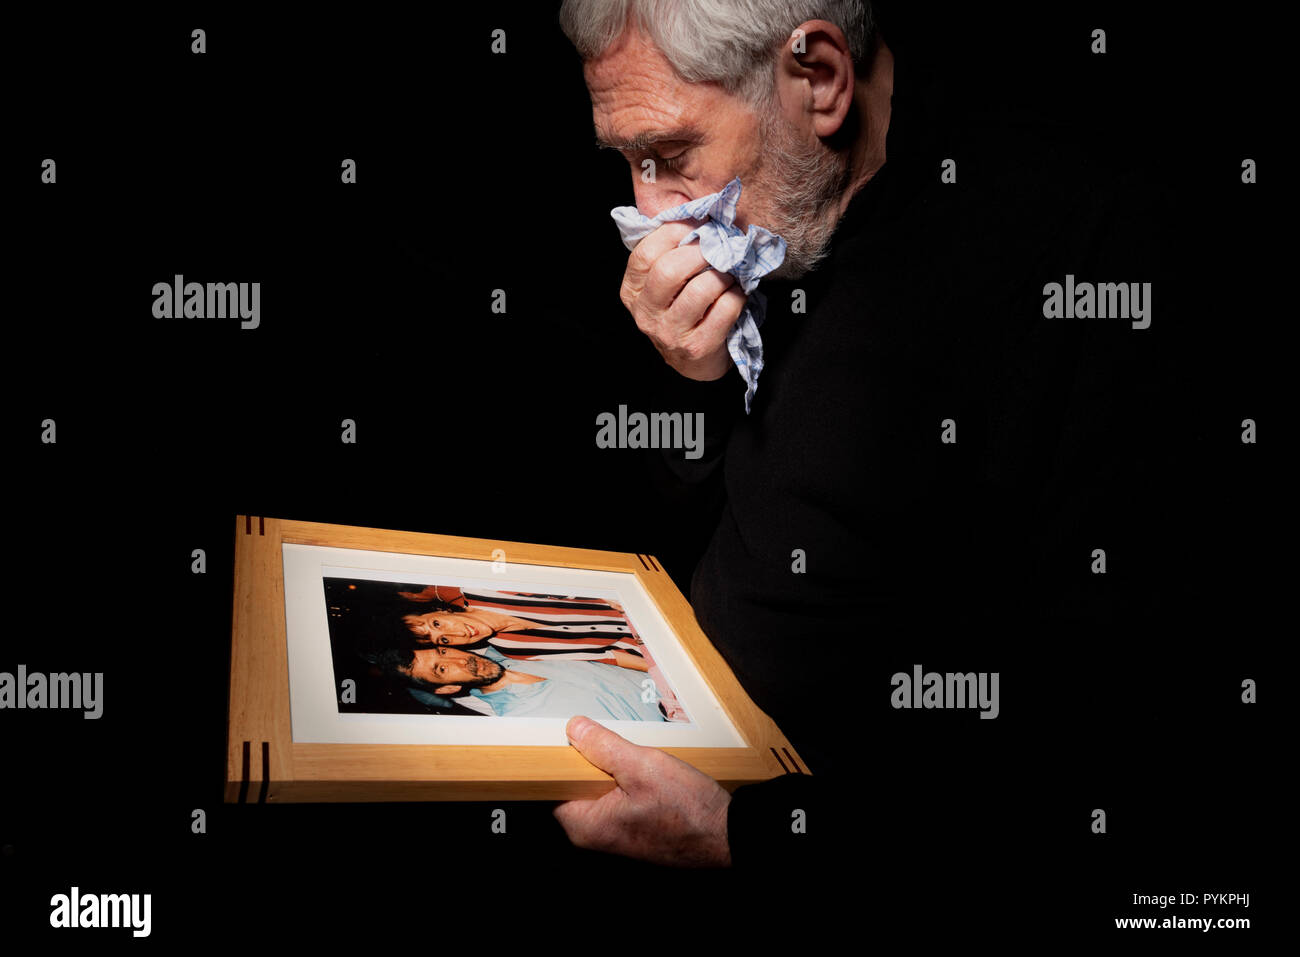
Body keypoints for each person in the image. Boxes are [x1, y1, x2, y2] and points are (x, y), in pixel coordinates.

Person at [552, 0, 1164, 883]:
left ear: (822, 80)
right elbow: (670, 530)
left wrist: (742, 837)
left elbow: (1087, 740)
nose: (650, 208)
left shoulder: (1084, 261)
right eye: (629, 163)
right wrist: (687, 378)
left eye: (672, 156)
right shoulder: (770, 214)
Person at [369, 644, 670, 721]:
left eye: (443, 651)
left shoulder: (511, 649)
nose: (461, 661)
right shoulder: (524, 718)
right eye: (442, 670)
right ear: (447, 689)